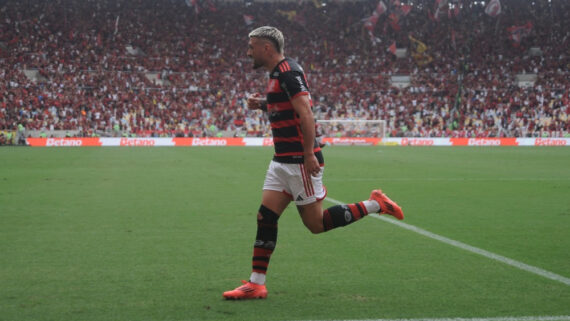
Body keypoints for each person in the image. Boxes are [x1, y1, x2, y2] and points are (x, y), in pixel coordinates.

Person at [222, 26, 404, 300]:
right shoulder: (275, 74)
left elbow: (306, 112)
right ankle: (256, 284)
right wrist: (262, 104)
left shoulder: (288, 72)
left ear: (266, 48)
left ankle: (375, 204)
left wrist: (308, 155)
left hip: (298, 161)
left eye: (252, 46)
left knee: (316, 224)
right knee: (265, 216)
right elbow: (286, 105)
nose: (248, 52)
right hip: (281, 161)